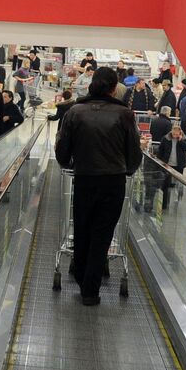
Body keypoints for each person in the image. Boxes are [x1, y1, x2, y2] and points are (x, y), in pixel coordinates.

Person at [55, 67, 143, 306]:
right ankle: (90, 290)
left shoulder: (75, 112)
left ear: (92, 83)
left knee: (82, 229)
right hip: (113, 182)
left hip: (84, 179)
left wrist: (70, 163)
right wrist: (128, 169)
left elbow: (62, 150)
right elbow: (134, 154)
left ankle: (82, 276)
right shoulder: (125, 115)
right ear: (114, 88)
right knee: (102, 233)